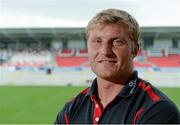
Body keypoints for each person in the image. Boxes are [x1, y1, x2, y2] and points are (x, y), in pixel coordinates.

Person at [55, 9, 180, 124]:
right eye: (97, 41)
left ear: (135, 49)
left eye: (117, 42)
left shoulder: (157, 109)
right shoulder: (71, 109)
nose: (105, 51)